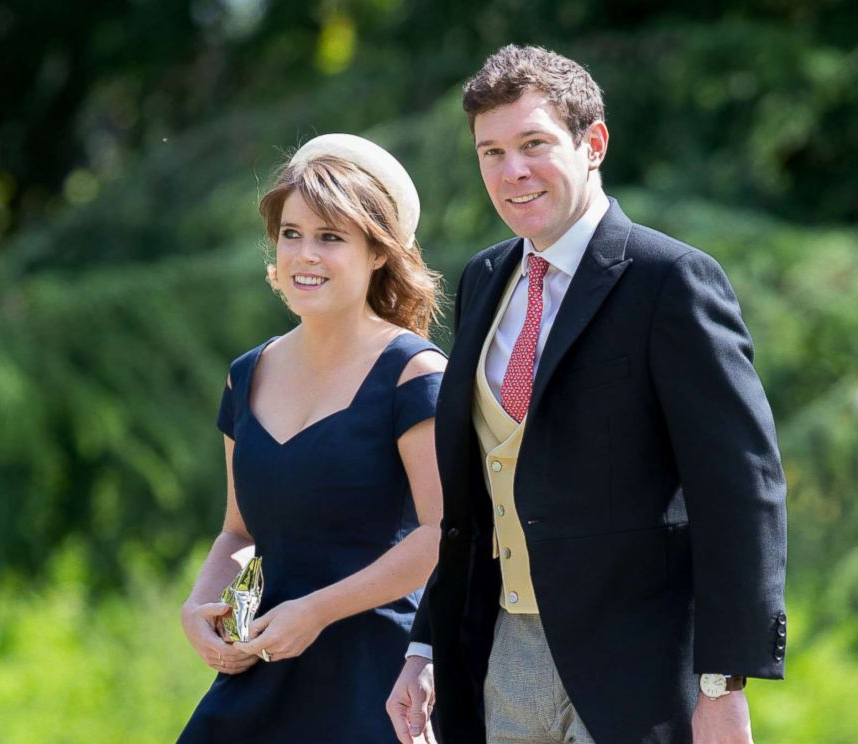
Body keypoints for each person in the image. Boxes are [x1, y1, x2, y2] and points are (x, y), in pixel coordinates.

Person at [387, 45, 787, 744]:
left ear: (593, 142)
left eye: (534, 144)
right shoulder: (484, 279)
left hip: (638, 671)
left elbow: (740, 489)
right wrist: (426, 644)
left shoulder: (671, 281)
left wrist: (724, 683)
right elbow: (473, 496)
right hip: (502, 653)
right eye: (492, 152)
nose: (512, 171)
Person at [179, 133, 447, 742]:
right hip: (267, 669)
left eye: (331, 237)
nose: (305, 255)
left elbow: (444, 535)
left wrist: (318, 611)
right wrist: (198, 608)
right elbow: (239, 532)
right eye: (292, 234)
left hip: (379, 681)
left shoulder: (416, 374)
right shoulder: (246, 374)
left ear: (379, 252)